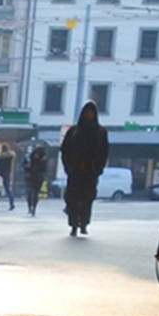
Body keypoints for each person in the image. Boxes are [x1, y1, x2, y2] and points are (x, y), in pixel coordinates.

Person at [62, 101, 108, 236]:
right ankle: (74, 225)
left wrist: (98, 168)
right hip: (75, 171)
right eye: (87, 112)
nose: (89, 115)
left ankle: (84, 223)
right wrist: (69, 166)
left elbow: (104, 151)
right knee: (73, 199)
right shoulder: (74, 131)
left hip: (90, 171)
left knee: (87, 199)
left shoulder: (100, 132)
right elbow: (65, 150)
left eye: (91, 113)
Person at [24, 141, 50, 216]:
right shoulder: (43, 159)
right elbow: (44, 169)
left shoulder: (31, 157)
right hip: (38, 177)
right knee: (35, 193)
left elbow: (26, 167)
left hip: (31, 176)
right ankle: (33, 208)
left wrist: (27, 168)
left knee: (30, 192)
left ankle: (30, 208)